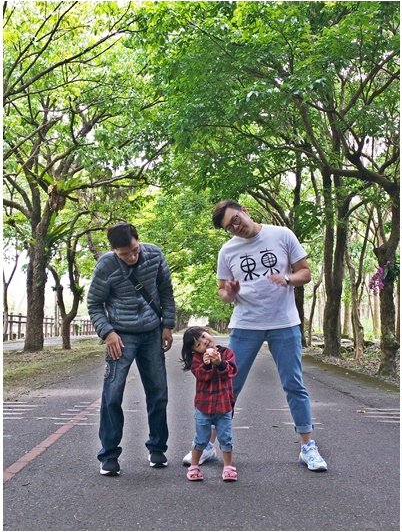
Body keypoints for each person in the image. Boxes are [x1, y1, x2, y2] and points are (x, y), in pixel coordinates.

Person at [181, 199, 327, 472]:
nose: (236, 227)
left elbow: (305, 272)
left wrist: (287, 280)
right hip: (246, 324)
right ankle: (208, 445)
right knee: (227, 385)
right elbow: (222, 292)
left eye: (236, 219)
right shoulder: (227, 251)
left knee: (294, 384)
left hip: (284, 323)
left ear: (245, 210)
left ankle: (307, 447)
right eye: (229, 227)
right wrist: (231, 293)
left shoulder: (282, 234)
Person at [87, 222, 176, 476]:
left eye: (135, 250)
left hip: (151, 332)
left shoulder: (155, 255)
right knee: (112, 394)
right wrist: (108, 332)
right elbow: (94, 303)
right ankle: (109, 454)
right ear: (113, 250)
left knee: (158, 392)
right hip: (121, 336)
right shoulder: (106, 265)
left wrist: (167, 324)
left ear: (139, 241)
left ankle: (157, 447)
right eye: (125, 254)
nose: (132, 256)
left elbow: (165, 291)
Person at [181, 327, 238, 482]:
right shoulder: (197, 360)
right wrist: (206, 365)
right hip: (203, 407)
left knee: (226, 438)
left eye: (204, 337)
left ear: (209, 334)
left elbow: (231, 372)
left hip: (224, 406)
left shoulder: (226, 353)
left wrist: (219, 363)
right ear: (193, 350)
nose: (205, 343)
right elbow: (201, 376)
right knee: (201, 439)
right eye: (198, 344)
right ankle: (194, 466)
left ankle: (228, 467)